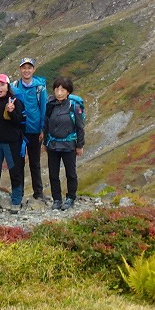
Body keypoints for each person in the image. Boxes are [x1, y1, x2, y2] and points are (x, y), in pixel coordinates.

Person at [0, 74, 27, 213]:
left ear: (8, 87)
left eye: (2, 85)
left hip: (12, 143)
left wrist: (12, 112)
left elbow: (19, 121)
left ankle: (16, 201)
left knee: (15, 171)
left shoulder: (15, 101)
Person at [43, 76, 85, 211]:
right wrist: (45, 142)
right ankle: (57, 199)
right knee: (53, 174)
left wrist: (80, 145)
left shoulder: (74, 106)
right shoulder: (50, 105)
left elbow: (80, 127)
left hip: (68, 145)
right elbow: (46, 124)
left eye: (62, 90)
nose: (59, 92)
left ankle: (71, 198)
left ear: (68, 92)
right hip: (53, 145)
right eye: (57, 89)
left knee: (70, 173)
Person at [11, 57, 48, 204]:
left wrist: (42, 129)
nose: (26, 70)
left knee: (35, 162)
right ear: (20, 69)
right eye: (24, 68)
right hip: (18, 130)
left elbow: (44, 109)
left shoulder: (40, 88)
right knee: (18, 163)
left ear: (33, 69)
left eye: (29, 68)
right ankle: (18, 194)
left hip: (34, 130)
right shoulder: (14, 86)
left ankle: (38, 193)